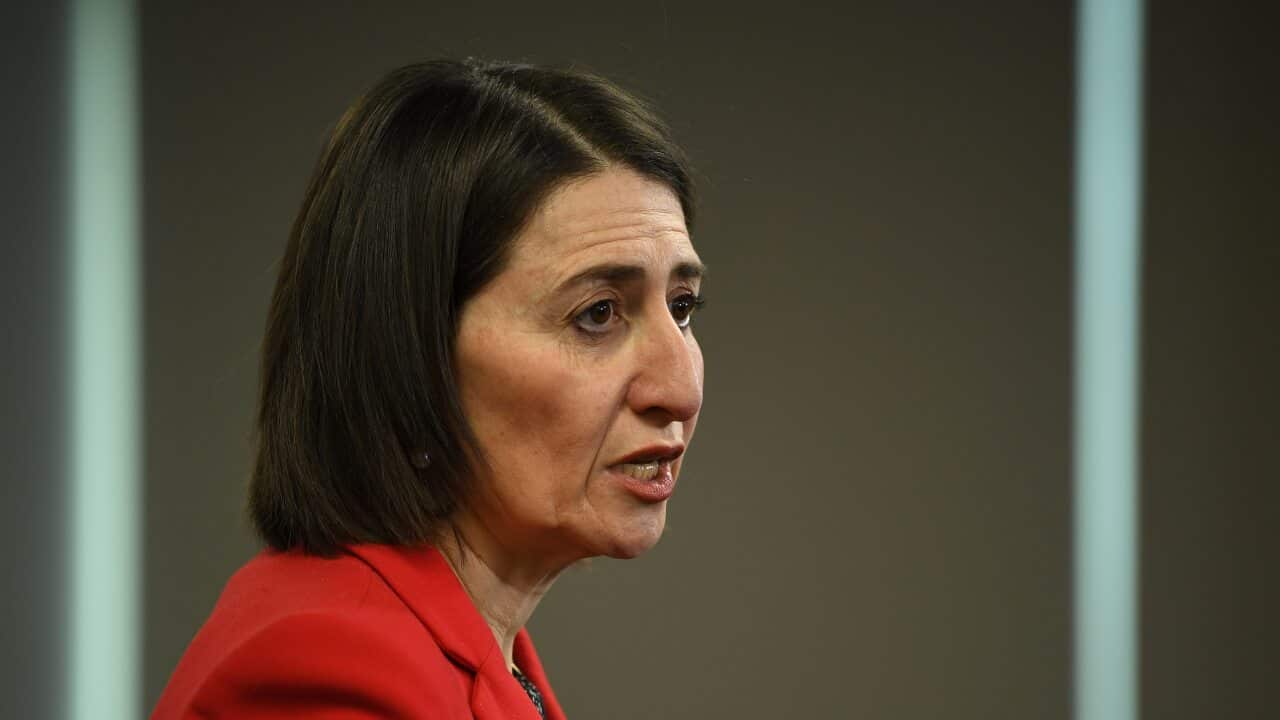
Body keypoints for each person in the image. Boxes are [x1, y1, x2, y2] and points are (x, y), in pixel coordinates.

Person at [151, 58, 706, 719]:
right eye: (597, 313)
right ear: (411, 354)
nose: (680, 389)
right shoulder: (328, 673)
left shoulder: (469, 651)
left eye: (682, 307)